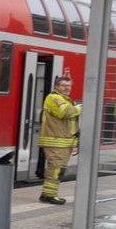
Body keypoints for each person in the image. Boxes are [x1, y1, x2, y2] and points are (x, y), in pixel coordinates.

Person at [38, 73, 81, 205]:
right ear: (56, 86)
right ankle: (48, 195)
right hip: (56, 141)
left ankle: (49, 194)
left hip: (63, 142)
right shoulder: (54, 98)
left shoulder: (65, 100)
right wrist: (80, 108)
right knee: (56, 169)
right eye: (63, 85)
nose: (67, 88)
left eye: (69, 86)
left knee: (58, 169)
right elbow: (65, 113)